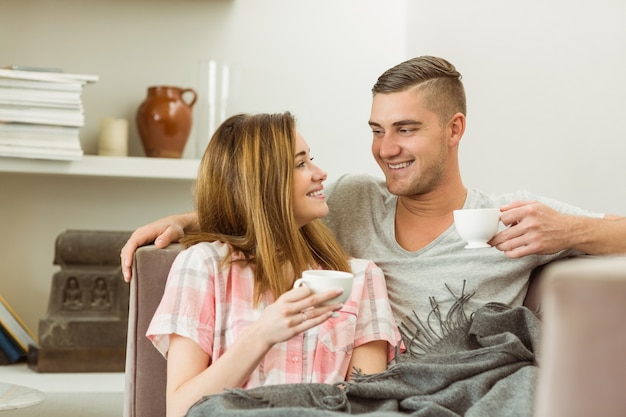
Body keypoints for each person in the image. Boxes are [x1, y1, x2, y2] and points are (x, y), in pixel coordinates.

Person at [122, 56, 626, 339]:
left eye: (406, 130)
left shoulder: (511, 215)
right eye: (377, 130)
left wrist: (573, 230)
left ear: (455, 129)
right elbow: (271, 202)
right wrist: (189, 221)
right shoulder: (351, 198)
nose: (386, 149)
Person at [145, 112, 402, 417]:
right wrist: (263, 333)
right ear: (262, 182)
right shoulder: (204, 267)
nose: (320, 173)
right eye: (300, 163)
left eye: (311, 159)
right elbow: (179, 410)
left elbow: (369, 405)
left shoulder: (359, 278)